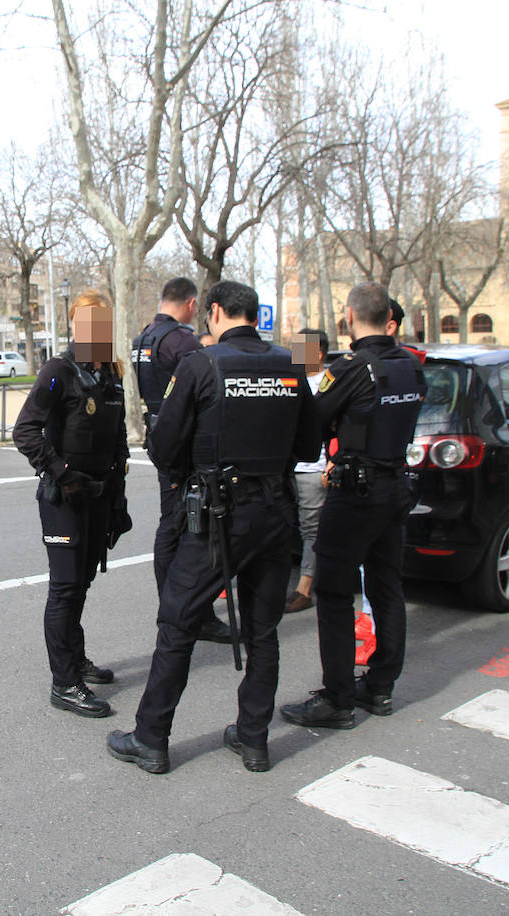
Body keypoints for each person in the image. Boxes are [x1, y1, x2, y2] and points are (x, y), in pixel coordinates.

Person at [107, 280, 320, 774]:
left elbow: (162, 448)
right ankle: (254, 740)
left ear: (217, 312)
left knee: (177, 623)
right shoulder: (290, 364)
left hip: (218, 518)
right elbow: (310, 445)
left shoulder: (201, 365)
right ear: (255, 315)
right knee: (263, 631)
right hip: (274, 512)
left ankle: (151, 739)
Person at [280, 281, 426, 731]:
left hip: (356, 492)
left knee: (335, 592)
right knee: (386, 588)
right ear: (390, 319)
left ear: (348, 316)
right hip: (395, 487)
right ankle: (380, 685)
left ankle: (337, 698)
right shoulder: (410, 366)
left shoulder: (350, 369)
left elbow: (312, 419)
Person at [13, 290, 131, 719]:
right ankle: (64, 683)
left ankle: (75, 659)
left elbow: (118, 442)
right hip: (64, 498)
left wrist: (118, 502)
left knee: (81, 583)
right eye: (89, 323)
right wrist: (61, 471)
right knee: (64, 589)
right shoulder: (57, 372)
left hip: (99, 499)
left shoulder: (111, 374)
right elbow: (25, 431)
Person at [131, 277, 234, 645]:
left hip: (158, 433)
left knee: (170, 523)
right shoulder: (182, 341)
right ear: (192, 304)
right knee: (188, 527)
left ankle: (178, 606)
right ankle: (192, 611)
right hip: (185, 443)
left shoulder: (144, 338)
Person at [283, 328, 329, 614]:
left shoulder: (331, 382)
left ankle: (305, 588)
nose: (294, 356)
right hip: (288, 467)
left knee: (311, 528)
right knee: (287, 527)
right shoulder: (290, 380)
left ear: (319, 353)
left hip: (315, 468)